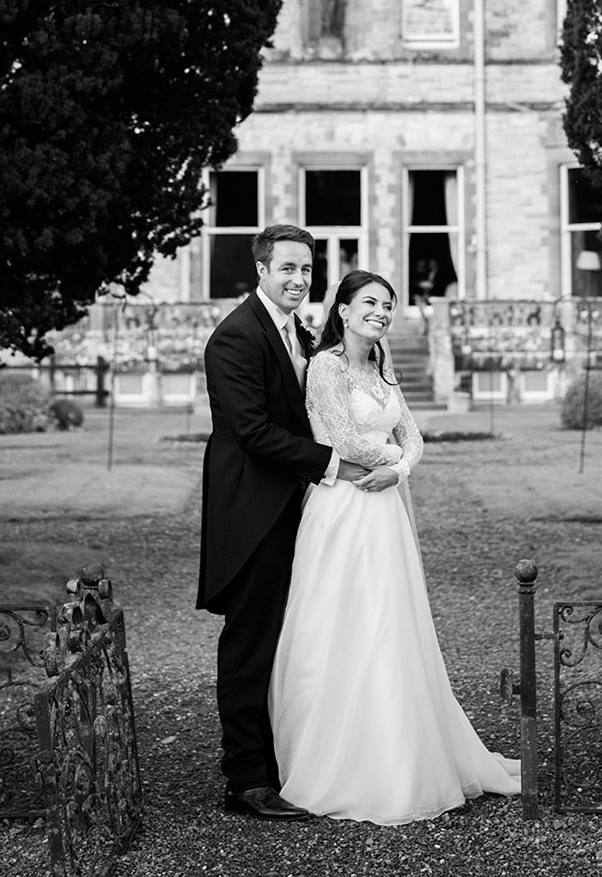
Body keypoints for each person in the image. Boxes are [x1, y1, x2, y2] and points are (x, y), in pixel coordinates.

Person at [269, 270, 521, 825]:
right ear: (343, 310)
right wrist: (391, 459)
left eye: (387, 304)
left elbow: (414, 435)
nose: (381, 312)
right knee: (340, 621)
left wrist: (400, 469)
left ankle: (400, 748)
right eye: (370, 302)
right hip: (342, 508)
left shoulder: (382, 365)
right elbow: (341, 439)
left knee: (391, 621)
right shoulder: (327, 367)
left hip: (384, 507)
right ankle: (338, 758)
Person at [196, 223, 370, 821]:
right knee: (251, 640)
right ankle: (246, 780)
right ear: (262, 270)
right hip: (253, 512)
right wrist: (335, 464)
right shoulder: (235, 337)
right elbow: (252, 431)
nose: (299, 279)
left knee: (296, 636)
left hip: (297, 508)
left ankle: (292, 760)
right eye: (288, 268)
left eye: (307, 269)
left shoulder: (299, 331)